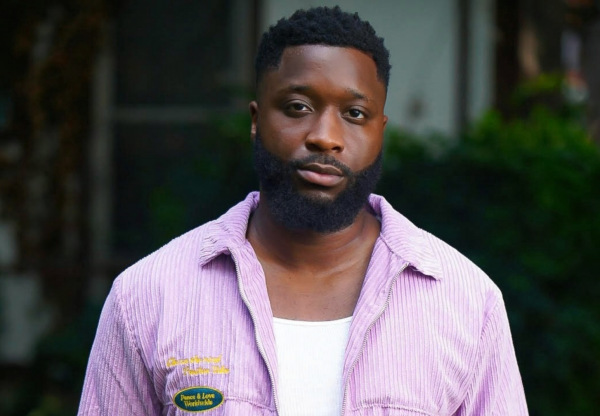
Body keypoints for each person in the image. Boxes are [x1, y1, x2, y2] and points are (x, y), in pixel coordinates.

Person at [78, 6, 528, 416]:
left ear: (381, 131)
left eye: (355, 113)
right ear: (256, 120)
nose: (325, 137)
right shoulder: (147, 297)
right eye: (298, 107)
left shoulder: (466, 302)